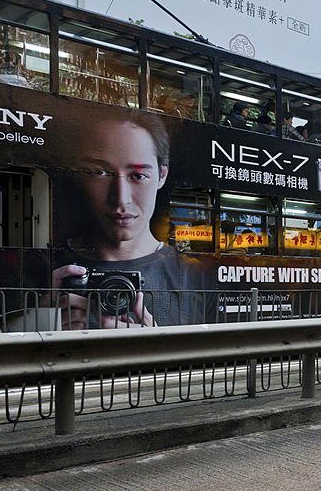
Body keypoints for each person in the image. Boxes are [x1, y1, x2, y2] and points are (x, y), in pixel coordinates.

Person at [54, 113, 211, 329]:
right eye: (100, 172)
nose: (121, 199)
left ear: (162, 176)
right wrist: (38, 320)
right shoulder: (46, 273)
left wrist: (154, 347)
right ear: (78, 175)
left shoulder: (196, 277)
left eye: (138, 176)